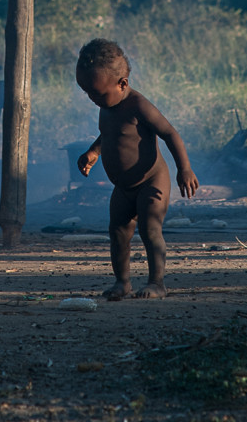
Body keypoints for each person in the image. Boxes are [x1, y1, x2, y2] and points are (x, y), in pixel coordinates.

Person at [75, 38, 199, 300]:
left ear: (122, 84)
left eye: (97, 93)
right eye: (87, 93)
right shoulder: (107, 106)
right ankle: (122, 282)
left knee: (150, 229)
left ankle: (157, 283)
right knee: (118, 232)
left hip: (151, 181)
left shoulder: (138, 105)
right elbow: (108, 134)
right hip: (123, 187)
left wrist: (184, 169)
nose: (93, 99)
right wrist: (93, 152)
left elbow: (169, 133)